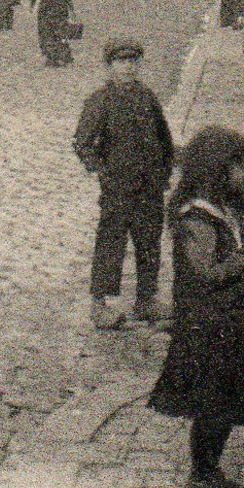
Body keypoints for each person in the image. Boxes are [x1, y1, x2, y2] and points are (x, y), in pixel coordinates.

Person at [148, 126, 244, 488]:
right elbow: (207, 273)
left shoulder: (232, 208)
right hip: (209, 327)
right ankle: (202, 477)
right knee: (213, 406)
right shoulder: (196, 217)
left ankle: (211, 474)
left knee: (225, 406)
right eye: (242, 166)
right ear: (218, 169)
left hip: (235, 323)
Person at [73, 38, 175, 329]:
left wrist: (163, 172)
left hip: (150, 185)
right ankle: (100, 305)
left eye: (133, 61)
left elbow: (164, 139)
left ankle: (146, 300)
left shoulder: (147, 97)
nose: (128, 67)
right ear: (109, 67)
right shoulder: (100, 100)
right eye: (121, 62)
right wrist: (103, 172)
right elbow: (82, 144)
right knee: (111, 243)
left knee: (149, 242)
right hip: (118, 188)